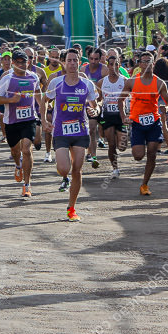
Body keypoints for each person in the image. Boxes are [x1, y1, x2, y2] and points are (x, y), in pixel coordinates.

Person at [44, 50, 99, 221]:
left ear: (79, 62)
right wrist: (44, 120)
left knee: (77, 170)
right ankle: (64, 178)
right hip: (60, 130)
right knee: (63, 168)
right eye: (69, 60)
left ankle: (71, 207)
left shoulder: (87, 84)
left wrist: (94, 110)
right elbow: (44, 101)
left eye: (75, 60)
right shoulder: (56, 83)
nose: (73, 63)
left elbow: (95, 105)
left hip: (80, 131)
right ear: (64, 63)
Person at [123, 51, 168, 196]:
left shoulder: (159, 82)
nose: (146, 64)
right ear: (140, 64)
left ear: (153, 64)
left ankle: (144, 184)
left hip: (154, 122)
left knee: (152, 154)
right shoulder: (132, 81)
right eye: (144, 61)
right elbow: (121, 99)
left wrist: (167, 108)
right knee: (138, 155)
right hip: (138, 122)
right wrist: (124, 115)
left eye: (149, 61)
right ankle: (139, 147)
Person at [0, 50, 42, 199]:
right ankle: (18, 165)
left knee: (27, 150)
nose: (21, 65)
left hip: (29, 120)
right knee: (15, 151)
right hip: (12, 121)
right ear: (13, 63)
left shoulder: (34, 77)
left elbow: (38, 94)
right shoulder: (7, 79)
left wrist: (43, 114)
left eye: (24, 62)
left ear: (28, 63)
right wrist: (10, 100)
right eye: (18, 62)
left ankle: (27, 185)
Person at [97, 55, 130, 179]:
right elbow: (99, 99)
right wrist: (98, 106)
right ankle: (115, 168)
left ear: (119, 66)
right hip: (108, 115)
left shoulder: (125, 81)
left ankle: (119, 143)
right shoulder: (101, 82)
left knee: (122, 146)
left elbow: (131, 98)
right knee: (111, 144)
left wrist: (129, 114)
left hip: (121, 115)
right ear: (107, 66)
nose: (113, 67)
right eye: (111, 64)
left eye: (116, 64)